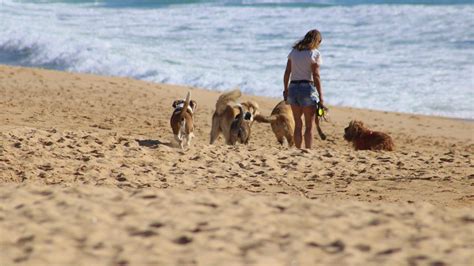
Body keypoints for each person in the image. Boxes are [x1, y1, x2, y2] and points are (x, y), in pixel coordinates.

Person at [283, 29, 324, 149]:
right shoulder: (314, 53)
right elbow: (316, 76)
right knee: (309, 126)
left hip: (293, 88)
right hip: (307, 88)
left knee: (298, 124)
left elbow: (287, 73)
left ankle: (298, 150)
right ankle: (307, 151)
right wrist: (321, 97)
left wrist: (285, 90)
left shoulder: (293, 52)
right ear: (316, 41)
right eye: (319, 42)